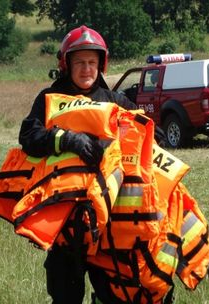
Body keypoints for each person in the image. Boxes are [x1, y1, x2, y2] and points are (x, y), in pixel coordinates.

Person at [18, 25, 138, 304]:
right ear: (66, 64)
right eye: (80, 62)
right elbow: (28, 136)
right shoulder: (49, 100)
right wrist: (67, 139)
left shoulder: (116, 102)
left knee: (112, 297)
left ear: (101, 65)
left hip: (108, 224)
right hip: (64, 222)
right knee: (65, 296)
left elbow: (150, 136)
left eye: (92, 63)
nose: (87, 69)